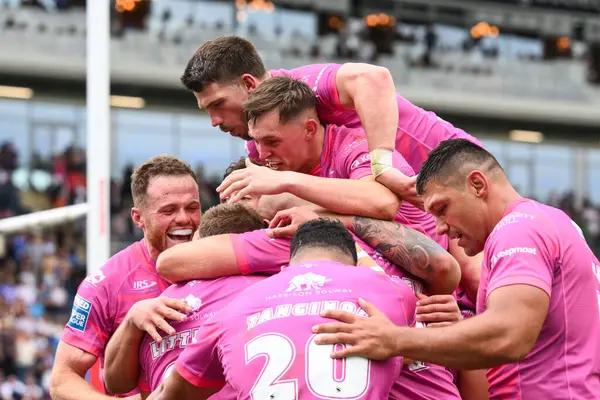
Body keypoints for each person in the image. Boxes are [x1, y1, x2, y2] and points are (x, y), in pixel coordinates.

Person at [311, 139, 600, 400]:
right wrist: (463, 328)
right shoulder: (553, 222)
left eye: (442, 208)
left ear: (477, 185)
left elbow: (509, 335)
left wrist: (393, 339)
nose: (440, 228)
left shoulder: (518, 229)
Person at [181, 36, 482, 210]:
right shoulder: (258, 144)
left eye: (218, 105)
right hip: (424, 206)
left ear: (249, 84)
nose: (214, 121)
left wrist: (382, 165)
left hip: (461, 168)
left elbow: (374, 78)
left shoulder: (303, 86)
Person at [147, 219, 417, 400]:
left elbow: (171, 392)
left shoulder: (234, 308)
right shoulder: (394, 291)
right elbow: (401, 356)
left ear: (285, 268)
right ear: (355, 264)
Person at [217, 76, 446, 249]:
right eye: (256, 141)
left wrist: (286, 182)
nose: (263, 154)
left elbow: (382, 203)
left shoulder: (355, 146)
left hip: (424, 285)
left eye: (272, 141)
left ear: (310, 129)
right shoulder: (277, 163)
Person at [49, 155, 202, 400]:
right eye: (169, 210)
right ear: (138, 217)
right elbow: (61, 381)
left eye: (192, 207)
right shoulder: (106, 283)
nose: (184, 218)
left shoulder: (221, 265)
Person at [103, 203, 268, 397]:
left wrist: (131, 321)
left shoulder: (158, 306)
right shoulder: (268, 291)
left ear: (199, 240)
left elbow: (117, 385)